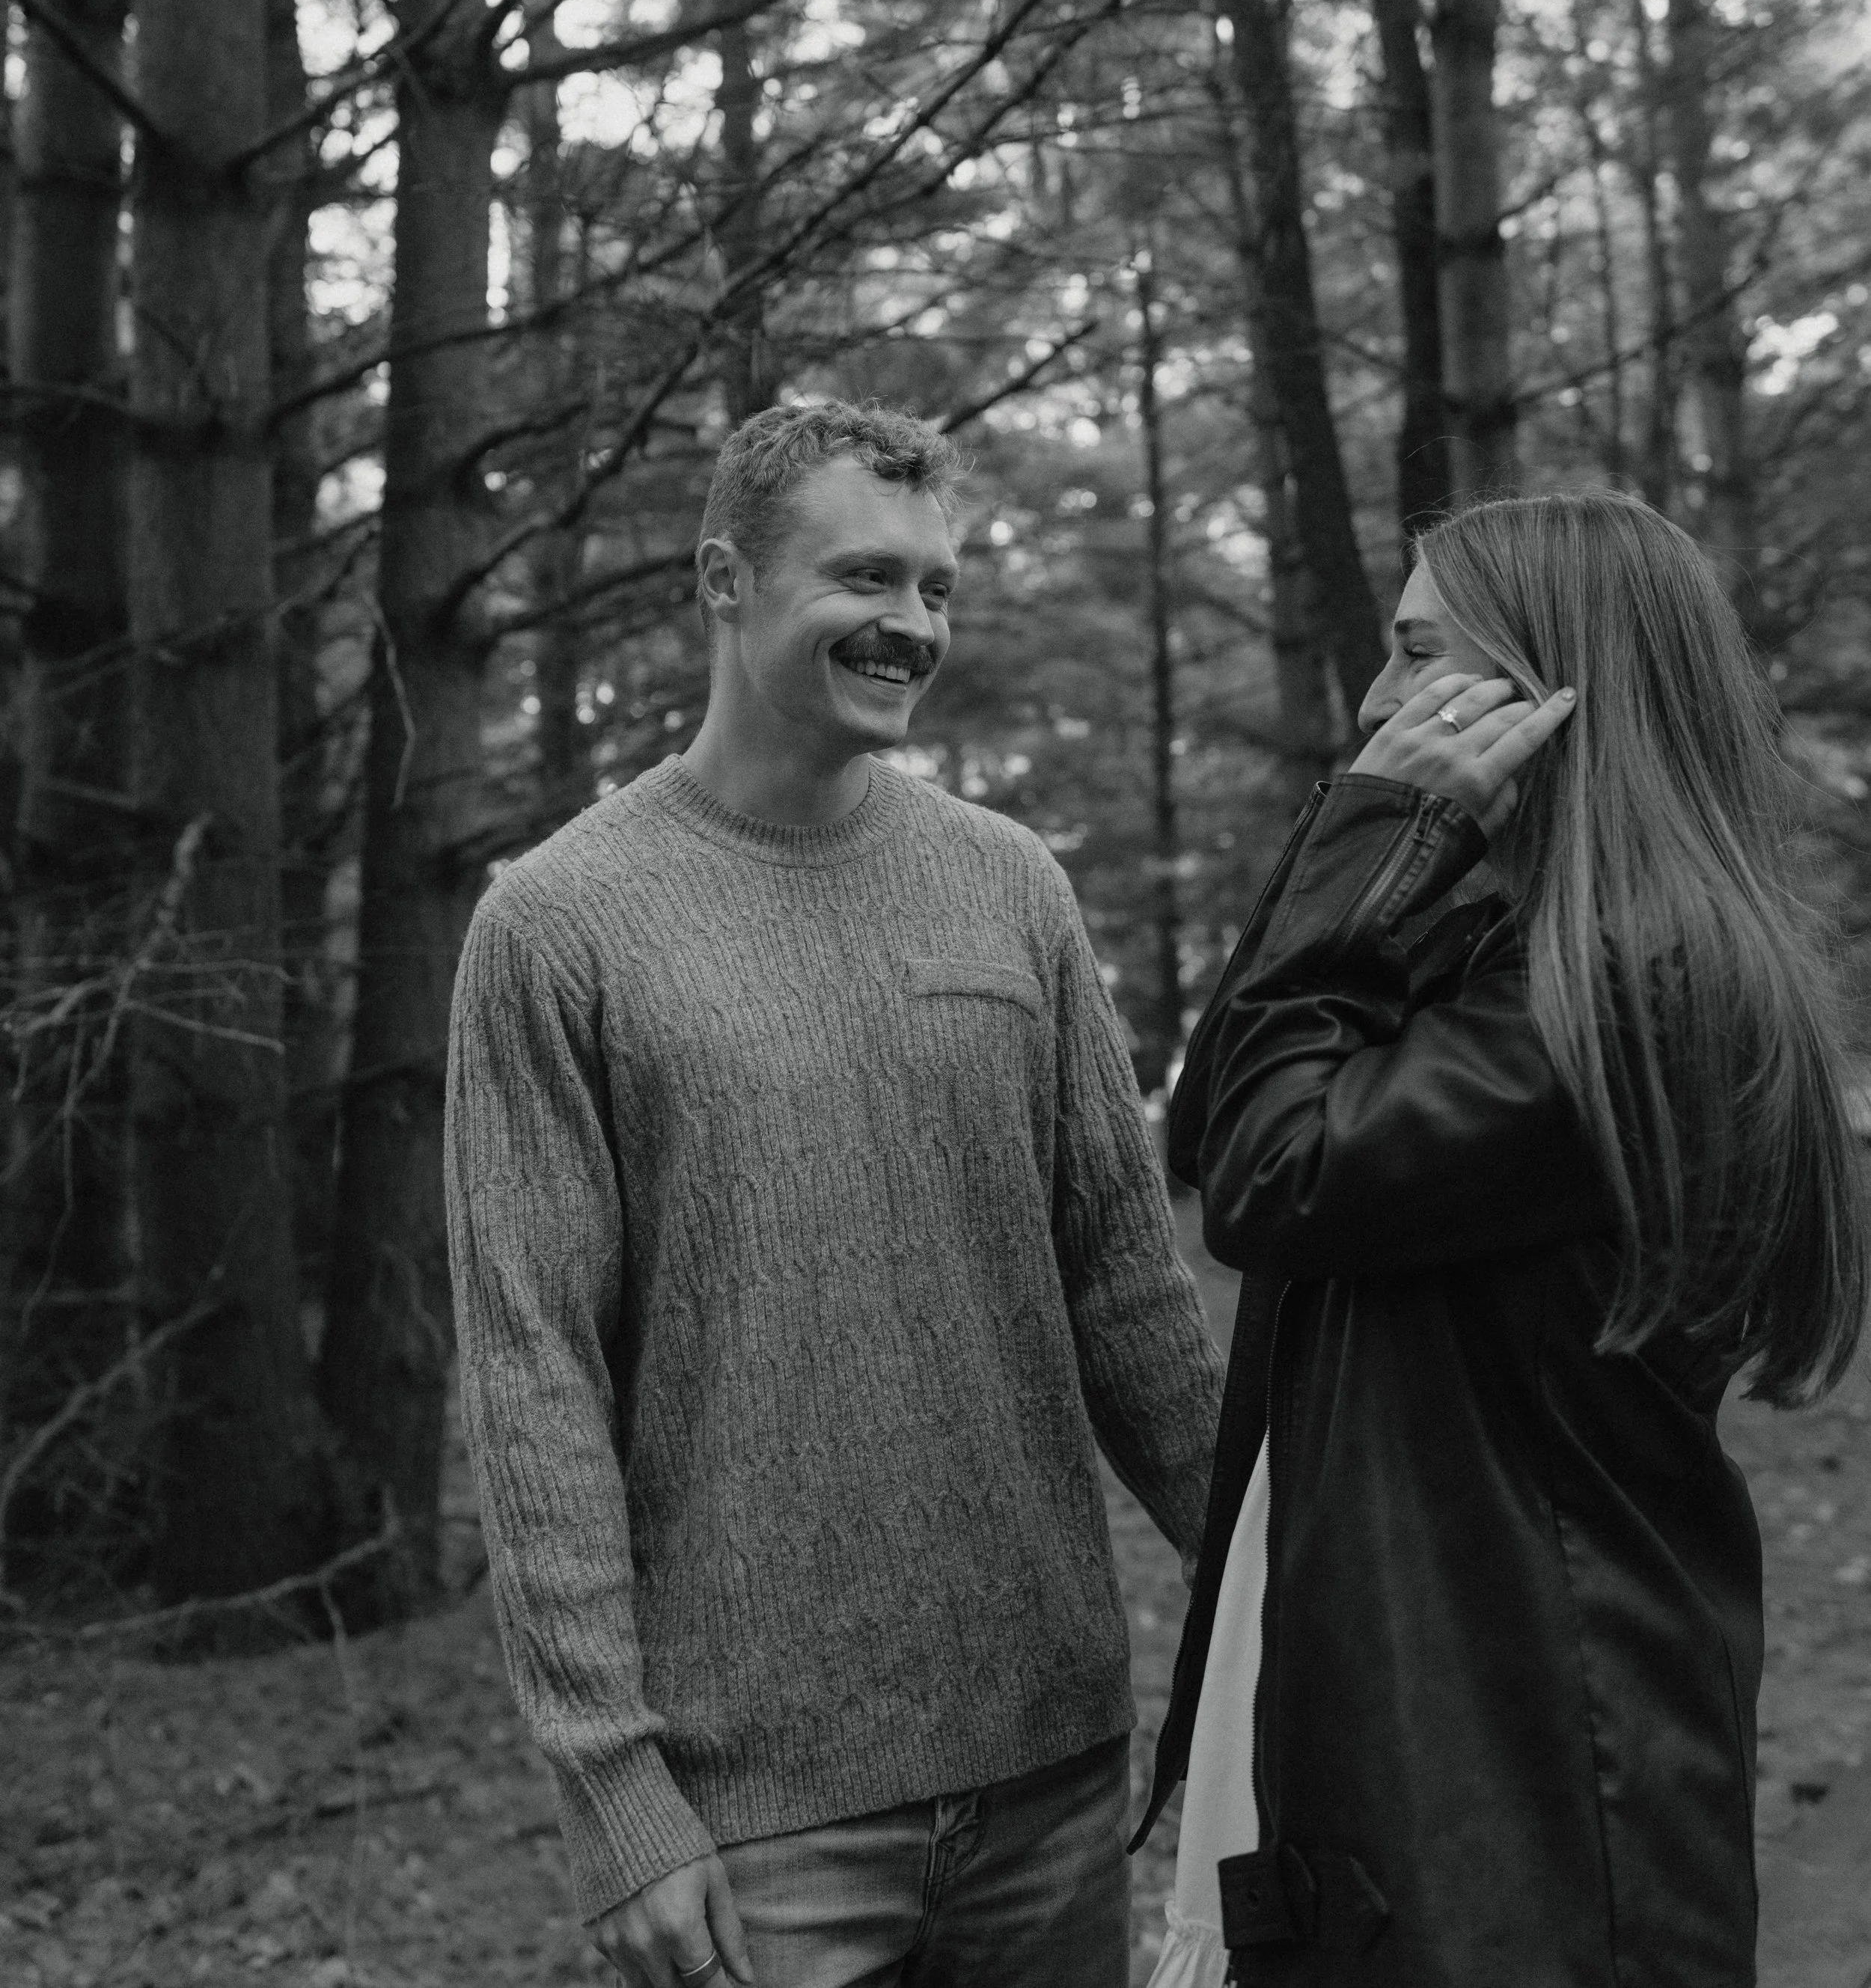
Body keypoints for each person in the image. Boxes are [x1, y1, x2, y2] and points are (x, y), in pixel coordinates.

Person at [446, 397, 1223, 1988]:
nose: (912, 626)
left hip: (1051, 1775)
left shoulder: (1008, 884)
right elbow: (535, 1379)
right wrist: (619, 1801)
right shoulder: (559, 924)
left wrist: (1282, 1584)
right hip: (753, 1828)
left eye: (937, 588)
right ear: (726, 580)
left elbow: (1128, 1295)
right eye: (866, 580)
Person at [1138, 491, 1870, 1988]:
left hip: (1522, 1785)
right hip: (1466, 1731)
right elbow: (1213, 1125)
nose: (1374, 701)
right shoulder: (1507, 951)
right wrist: (1372, 841)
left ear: (1548, 693)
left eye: (1417, 657)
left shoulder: (1626, 985)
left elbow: (1267, 1175)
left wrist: (1369, 833)